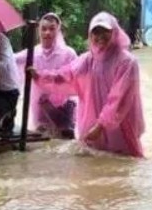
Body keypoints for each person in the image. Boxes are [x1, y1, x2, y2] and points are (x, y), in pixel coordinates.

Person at [28, 12, 145, 158]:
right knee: (91, 164)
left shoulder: (127, 62)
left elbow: (118, 99)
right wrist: (40, 76)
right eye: (96, 32)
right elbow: (65, 76)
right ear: (90, 35)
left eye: (105, 31)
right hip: (93, 122)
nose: (100, 36)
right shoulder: (88, 59)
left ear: (114, 32)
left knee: (121, 162)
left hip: (118, 124)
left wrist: (101, 125)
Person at [15, 12, 78, 138]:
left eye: (51, 29)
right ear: (39, 31)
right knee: (42, 138)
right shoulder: (33, 52)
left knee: (64, 138)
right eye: (44, 29)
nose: (47, 33)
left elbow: (76, 78)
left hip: (63, 106)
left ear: (58, 30)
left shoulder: (68, 54)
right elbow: (11, 60)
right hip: (39, 105)